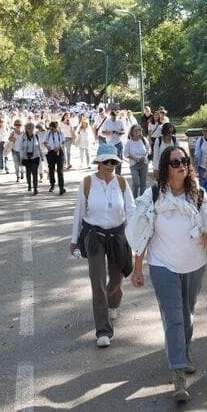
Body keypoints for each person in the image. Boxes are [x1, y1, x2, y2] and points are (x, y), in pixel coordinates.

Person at [127, 147, 207, 403]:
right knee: (174, 318)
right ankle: (179, 373)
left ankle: (184, 352)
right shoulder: (155, 196)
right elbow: (143, 233)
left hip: (194, 265)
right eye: (175, 162)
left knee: (187, 314)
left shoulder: (199, 196)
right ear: (165, 168)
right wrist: (138, 268)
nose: (181, 165)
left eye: (185, 161)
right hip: (162, 266)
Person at [70, 144, 136, 348]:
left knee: (116, 279)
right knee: (97, 282)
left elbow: (131, 211)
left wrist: (136, 236)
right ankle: (103, 331)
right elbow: (79, 212)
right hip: (94, 236)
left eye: (114, 162)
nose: (110, 165)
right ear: (98, 163)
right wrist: (74, 240)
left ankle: (112, 304)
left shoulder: (122, 183)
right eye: (106, 161)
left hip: (117, 235)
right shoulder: (87, 183)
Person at [124, 124, 151, 197]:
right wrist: (135, 158)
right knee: (136, 183)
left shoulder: (144, 140)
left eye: (138, 130)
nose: (137, 131)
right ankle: (134, 198)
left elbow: (148, 150)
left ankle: (142, 200)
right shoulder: (129, 142)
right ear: (131, 132)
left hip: (144, 163)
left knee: (143, 184)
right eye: (135, 130)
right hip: (134, 165)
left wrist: (144, 157)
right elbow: (126, 153)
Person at [99, 109, 127, 174]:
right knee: (110, 160)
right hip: (109, 144)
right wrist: (108, 132)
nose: (113, 118)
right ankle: (110, 173)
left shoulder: (120, 122)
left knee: (119, 160)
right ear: (110, 115)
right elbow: (102, 132)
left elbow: (124, 131)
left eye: (115, 117)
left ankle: (118, 174)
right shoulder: (107, 122)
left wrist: (118, 132)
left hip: (118, 143)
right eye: (112, 117)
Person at [19, 122, 43, 195]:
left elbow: (39, 147)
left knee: (35, 172)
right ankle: (29, 184)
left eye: (32, 128)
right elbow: (21, 147)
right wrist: (22, 156)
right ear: (26, 129)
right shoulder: (23, 137)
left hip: (35, 156)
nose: (30, 129)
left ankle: (35, 188)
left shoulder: (36, 136)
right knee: (28, 172)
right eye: (29, 128)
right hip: (26, 157)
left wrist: (41, 156)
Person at [43, 121, 66, 194]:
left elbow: (63, 142)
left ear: (56, 128)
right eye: (51, 129)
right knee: (51, 170)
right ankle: (52, 185)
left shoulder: (61, 133)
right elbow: (45, 142)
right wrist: (48, 147)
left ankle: (61, 187)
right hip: (51, 152)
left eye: (53, 129)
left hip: (59, 152)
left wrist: (59, 147)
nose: (52, 130)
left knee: (60, 171)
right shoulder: (48, 133)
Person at [193, 124, 207, 197]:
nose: (206, 132)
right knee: (204, 186)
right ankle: (205, 201)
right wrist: (195, 167)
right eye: (204, 131)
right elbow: (196, 153)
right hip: (202, 167)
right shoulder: (200, 141)